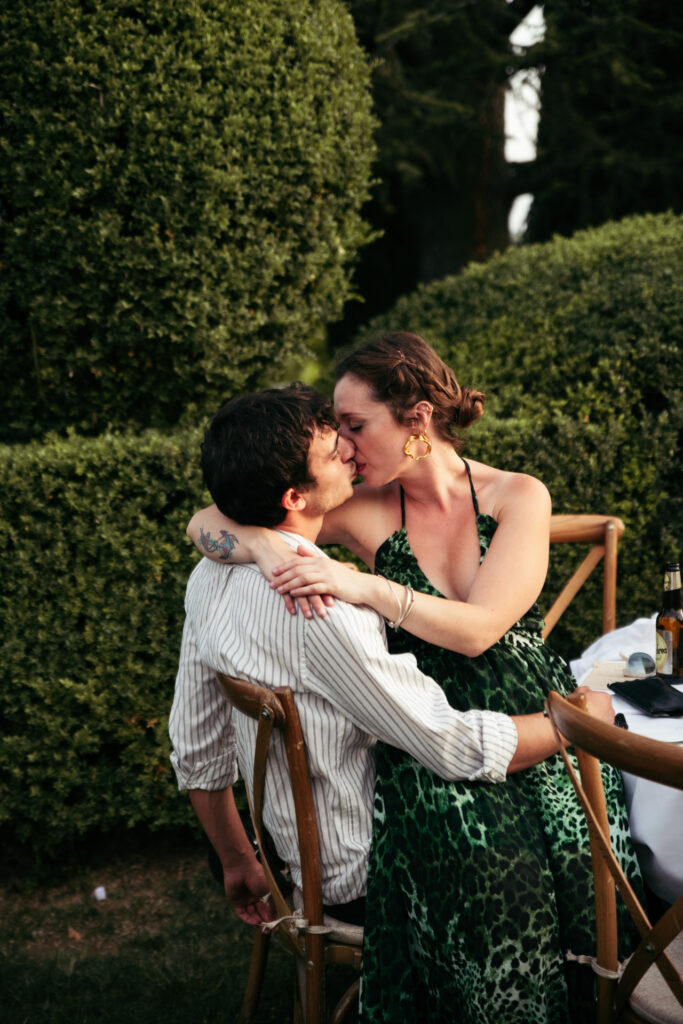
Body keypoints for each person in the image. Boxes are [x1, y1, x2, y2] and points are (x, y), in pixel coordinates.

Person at [186, 334, 642, 1024]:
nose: (342, 443)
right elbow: (223, 513)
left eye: (354, 424)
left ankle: (594, 991)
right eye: (335, 428)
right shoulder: (361, 504)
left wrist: (361, 586)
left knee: (588, 845)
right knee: (494, 874)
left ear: (417, 420)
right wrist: (257, 543)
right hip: (423, 730)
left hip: (525, 715)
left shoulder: (517, 495)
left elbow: (481, 626)